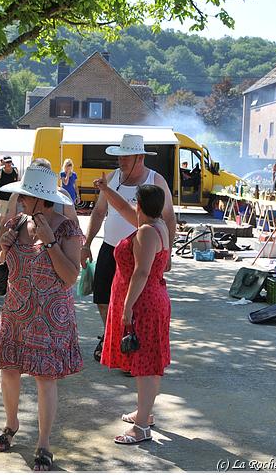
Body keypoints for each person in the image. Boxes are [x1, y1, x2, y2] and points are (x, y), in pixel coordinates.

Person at [0, 165, 83, 471]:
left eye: (26, 196)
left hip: (50, 318)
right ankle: (11, 424)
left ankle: (43, 444)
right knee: (9, 371)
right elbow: (2, 263)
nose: (21, 200)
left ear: (41, 199)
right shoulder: (17, 223)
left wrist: (50, 243)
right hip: (16, 312)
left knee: (45, 380)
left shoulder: (66, 228)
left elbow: (71, 277)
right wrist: (2, 249)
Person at [81, 134, 175, 362]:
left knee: (135, 302)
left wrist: (167, 252)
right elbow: (101, 211)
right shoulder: (113, 177)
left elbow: (169, 217)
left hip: (142, 251)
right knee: (103, 298)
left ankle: (131, 343)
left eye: (126, 156)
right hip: (112, 247)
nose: (121, 161)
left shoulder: (155, 180)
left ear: (140, 157)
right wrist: (87, 243)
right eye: (120, 156)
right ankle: (111, 336)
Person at [93, 178, 171, 444]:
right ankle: (145, 414)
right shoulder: (155, 224)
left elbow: (141, 272)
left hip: (144, 303)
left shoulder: (146, 232)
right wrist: (105, 190)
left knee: (146, 366)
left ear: (140, 204)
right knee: (150, 361)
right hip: (153, 300)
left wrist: (127, 307)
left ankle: (141, 428)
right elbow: (124, 209)